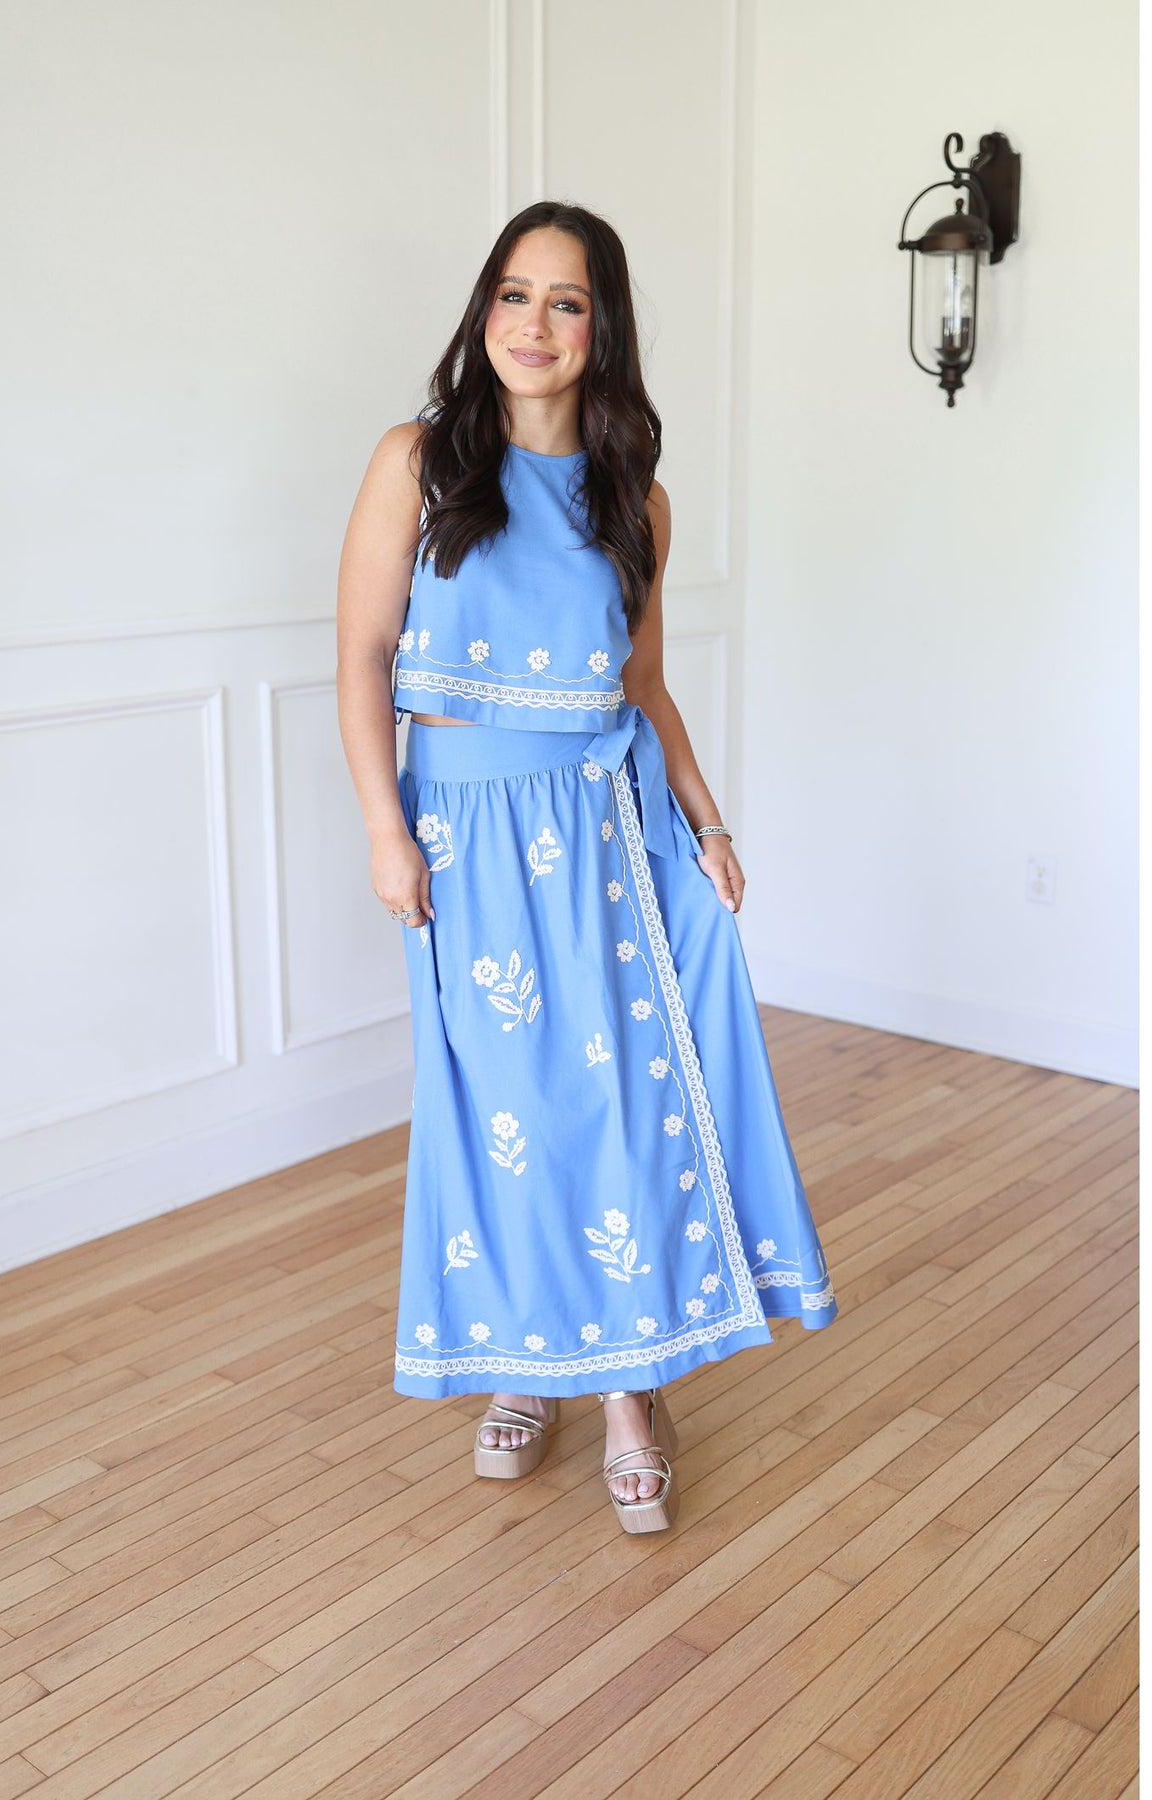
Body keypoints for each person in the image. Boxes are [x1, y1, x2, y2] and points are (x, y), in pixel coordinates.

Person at [336, 200, 835, 1534]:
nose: (536, 324)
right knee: (505, 1110)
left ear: (601, 328)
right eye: (515, 294)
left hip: (610, 833)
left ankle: (628, 1393)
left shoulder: (636, 501)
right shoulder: (417, 462)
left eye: (567, 302)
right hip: (465, 840)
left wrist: (708, 823)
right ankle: (524, 1363)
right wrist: (385, 828)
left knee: (617, 1109)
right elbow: (362, 657)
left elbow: (645, 687)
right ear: (482, 311)